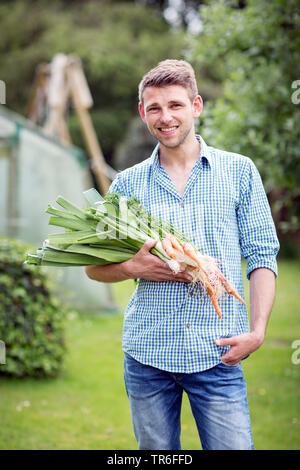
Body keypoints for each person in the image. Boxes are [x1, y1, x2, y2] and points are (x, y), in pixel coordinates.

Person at [85, 59, 280, 450]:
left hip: (219, 352)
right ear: (143, 113)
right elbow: (93, 266)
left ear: (196, 105)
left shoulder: (239, 172)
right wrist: (132, 266)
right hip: (148, 354)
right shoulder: (127, 184)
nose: (165, 117)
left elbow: (262, 256)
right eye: (154, 108)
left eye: (175, 105)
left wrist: (257, 331)